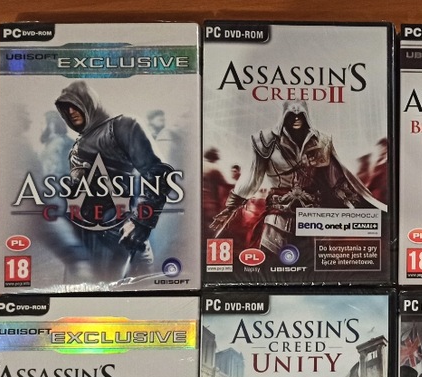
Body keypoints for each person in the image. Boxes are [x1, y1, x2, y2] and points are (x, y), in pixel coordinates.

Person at [208, 100, 385, 255]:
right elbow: (252, 178)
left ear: (307, 116)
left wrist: (362, 209)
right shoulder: (265, 141)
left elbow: (336, 180)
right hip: (278, 218)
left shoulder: (322, 142)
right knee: (273, 264)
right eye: (291, 115)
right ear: (283, 117)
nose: (296, 119)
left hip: (313, 220)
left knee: (314, 267)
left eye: (300, 115)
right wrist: (230, 208)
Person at [54, 80, 178, 275]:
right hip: (86, 237)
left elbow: (159, 173)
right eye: (65, 108)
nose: (70, 112)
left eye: (75, 104)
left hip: (117, 234)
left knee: (133, 287)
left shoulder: (122, 126)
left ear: (89, 101)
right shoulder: (80, 142)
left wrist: (141, 222)